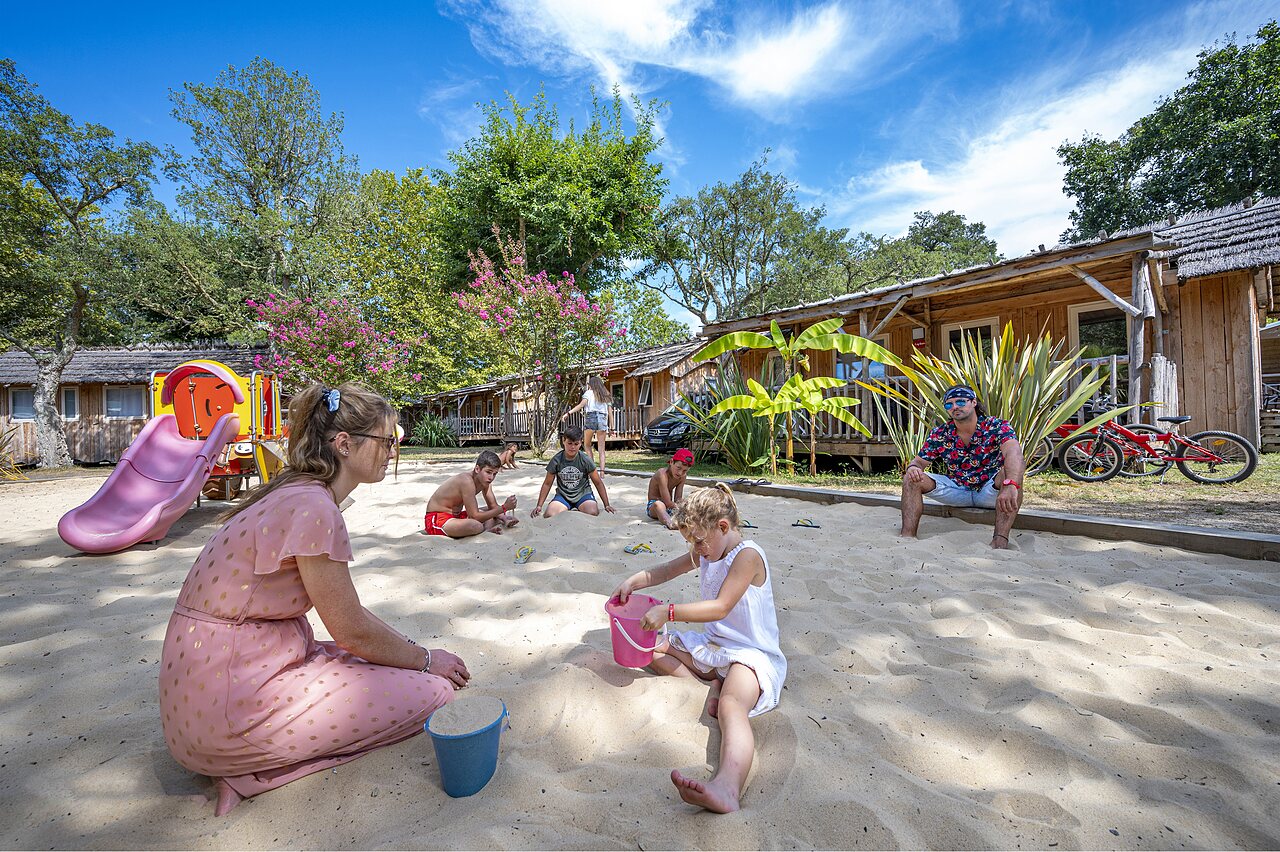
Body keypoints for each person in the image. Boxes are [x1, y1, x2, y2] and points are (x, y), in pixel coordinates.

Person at [159, 383, 472, 816]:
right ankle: (256, 771)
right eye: (387, 440)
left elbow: (350, 617)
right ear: (344, 444)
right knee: (433, 693)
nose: (393, 450)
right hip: (232, 702)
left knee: (380, 666)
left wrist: (414, 651)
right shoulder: (314, 507)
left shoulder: (295, 492)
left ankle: (252, 758)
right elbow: (350, 630)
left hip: (208, 687)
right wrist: (425, 661)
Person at [610, 483, 786, 814]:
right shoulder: (708, 548)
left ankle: (727, 787)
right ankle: (711, 683)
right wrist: (634, 581)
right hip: (716, 647)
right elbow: (665, 570)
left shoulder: (747, 556)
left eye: (699, 541)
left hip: (749, 656)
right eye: (691, 542)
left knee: (731, 707)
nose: (696, 548)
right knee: (653, 648)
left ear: (723, 527)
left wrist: (669, 611)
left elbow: (720, 607)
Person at [899, 384, 1025, 549]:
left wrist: (1010, 484)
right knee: (911, 478)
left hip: (990, 489)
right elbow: (918, 462)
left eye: (960, 401)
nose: (955, 407)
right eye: (949, 404)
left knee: (1012, 474)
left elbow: (1014, 454)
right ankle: (907, 537)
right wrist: (913, 468)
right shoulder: (941, 433)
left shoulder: (996, 426)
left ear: (973, 402)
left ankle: (999, 541)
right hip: (957, 489)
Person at [423, 450, 519, 538]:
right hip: (437, 518)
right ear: (477, 469)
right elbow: (474, 516)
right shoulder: (466, 481)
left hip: (457, 516)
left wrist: (504, 518)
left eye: (494, 474)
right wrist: (504, 508)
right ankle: (485, 528)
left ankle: (488, 528)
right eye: (488, 472)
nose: (491, 477)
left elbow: (493, 506)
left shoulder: (485, 481)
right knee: (476, 525)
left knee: (491, 512)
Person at [531, 425, 616, 518]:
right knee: (549, 514)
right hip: (563, 496)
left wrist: (606, 505)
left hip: (583, 495)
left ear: (580, 443)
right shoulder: (556, 460)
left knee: (593, 512)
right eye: (569, 443)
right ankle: (567, 507)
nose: (572, 447)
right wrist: (539, 506)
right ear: (564, 441)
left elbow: (598, 482)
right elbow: (547, 484)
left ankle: (579, 506)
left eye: (576, 444)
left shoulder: (585, 459)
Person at [561, 374, 610, 472]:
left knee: (587, 445)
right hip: (603, 418)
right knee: (601, 448)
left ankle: (593, 470)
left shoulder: (588, 393)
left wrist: (568, 413)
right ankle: (602, 473)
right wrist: (612, 427)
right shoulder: (605, 394)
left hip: (591, 417)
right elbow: (610, 411)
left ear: (591, 385)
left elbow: (582, 405)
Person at [647, 448, 694, 529]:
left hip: (670, 508)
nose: (680, 473)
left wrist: (684, 507)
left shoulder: (682, 477)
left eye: (684, 470)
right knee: (659, 504)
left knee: (689, 505)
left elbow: (678, 499)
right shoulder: (662, 474)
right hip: (655, 507)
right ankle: (670, 523)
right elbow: (667, 502)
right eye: (678, 468)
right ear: (671, 462)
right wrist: (680, 508)